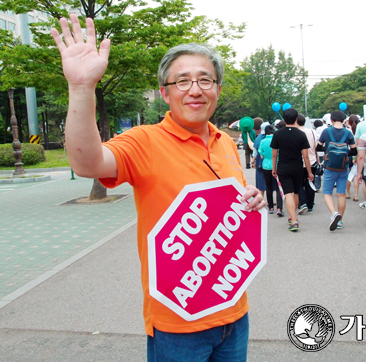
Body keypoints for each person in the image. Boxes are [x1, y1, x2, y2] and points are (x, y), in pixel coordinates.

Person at [51, 15, 266, 361]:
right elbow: (87, 163)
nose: (195, 89)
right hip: (177, 323)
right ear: (165, 93)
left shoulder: (225, 141)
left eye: (205, 80)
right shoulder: (145, 141)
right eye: (181, 81)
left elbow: (232, 200)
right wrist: (81, 88)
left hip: (234, 312)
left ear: (218, 90)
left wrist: (252, 199)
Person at [271, 108, 313, 232]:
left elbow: (274, 154)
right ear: (296, 119)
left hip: (283, 166)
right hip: (297, 167)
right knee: (295, 192)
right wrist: (309, 172)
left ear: (284, 119)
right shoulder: (301, 134)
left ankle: (294, 220)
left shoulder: (278, 134)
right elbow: (305, 156)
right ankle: (292, 216)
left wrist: (274, 168)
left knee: (288, 193)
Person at [317, 110, 357, 231]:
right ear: (344, 120)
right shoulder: (348, 133)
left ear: (332, 120)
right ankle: (340, 221)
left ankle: (334, 213)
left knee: (327, 193)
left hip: (329, 166)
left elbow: (318, 147)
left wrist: (328, 151)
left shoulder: (326, 131)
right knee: (341, 194)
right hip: (343, 167)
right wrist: (344, 152)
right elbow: (354, 151)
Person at [258, 125, 283, 216]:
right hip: (277, 165)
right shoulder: (278, 139)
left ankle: (271, 207)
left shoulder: (263, 141)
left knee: (268, 187)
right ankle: (279, 208)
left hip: (266, 165)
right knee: (278, 188)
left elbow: (261, 155)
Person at [296, 113, 319, 214]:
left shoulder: (295, 133)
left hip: (299, 162)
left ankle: (303, 203)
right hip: (312, 160)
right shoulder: (312, 132)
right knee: (310, 183)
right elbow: (316, 147)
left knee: (299, 184)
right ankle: (310, 205)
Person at [251, 121, 269, 198]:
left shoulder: (258, 138)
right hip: (270, 163)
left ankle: (261, 198)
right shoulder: (270, 137)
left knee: (261, 182)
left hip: (259, 163)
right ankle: (270, 201)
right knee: (270, 183)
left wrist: (253, 162)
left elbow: (254, 152)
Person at [345, 115, 360, 201]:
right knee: (356, 175)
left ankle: (348, 192)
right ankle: (356, 194)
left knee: (349, 174)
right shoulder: (359, 130)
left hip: (350, 153)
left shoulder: (347, 131)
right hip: (357, 153)